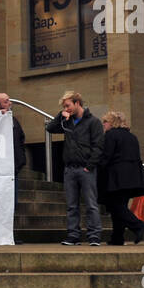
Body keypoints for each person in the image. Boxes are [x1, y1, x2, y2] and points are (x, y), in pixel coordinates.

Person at [45, 90, 104, 246]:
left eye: (68, 105)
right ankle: (73, 235)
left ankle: (94, 236)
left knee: (91, 204)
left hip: (86, 169)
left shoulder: (93, 122)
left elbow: (98, 147)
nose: (66, 109)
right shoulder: (67, 121)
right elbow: (50, 128)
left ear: (78, 103)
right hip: (70, 169)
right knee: (71, 205)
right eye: (64, 106)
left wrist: (90, 166)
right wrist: (61, 115)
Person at [96, 111, 144, 245]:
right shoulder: (131, 136)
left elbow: (106, 156)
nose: (104, 125)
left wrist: (95, 167)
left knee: (116, 206)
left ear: (112, 122)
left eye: (105, 122)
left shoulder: (111, 135)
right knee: (120, 205)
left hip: (117, 177)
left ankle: (138, 226)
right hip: (132, 177)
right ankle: (117, 238)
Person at [0, 93, 28, 205]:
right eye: (6, 101)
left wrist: (20, 160)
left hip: (13, 168)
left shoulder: (13, 120)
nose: (10, 103)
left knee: (12, 203)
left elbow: (21, 138)